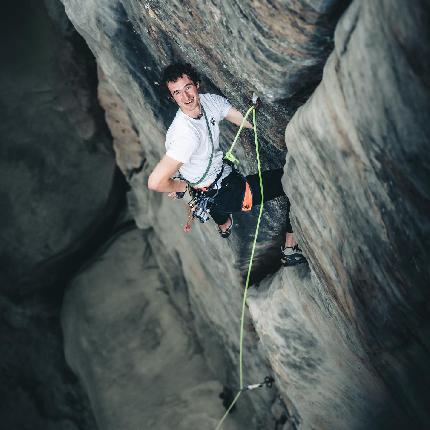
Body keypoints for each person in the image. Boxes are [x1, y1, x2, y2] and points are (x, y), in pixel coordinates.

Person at [148, 63, 305, 266]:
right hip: (228, 192)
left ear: (197, 85)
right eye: (177, 93)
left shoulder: (209, 102)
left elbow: (245, 120)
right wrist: (181, 186)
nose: (186, 97)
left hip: (212, 181)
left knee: (215, 206)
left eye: (187, 87)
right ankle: (290, 249)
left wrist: (257, 111)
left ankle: (223, 223)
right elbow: (155, 181)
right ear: (172, 98)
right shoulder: (185, 136)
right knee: (292, 178)